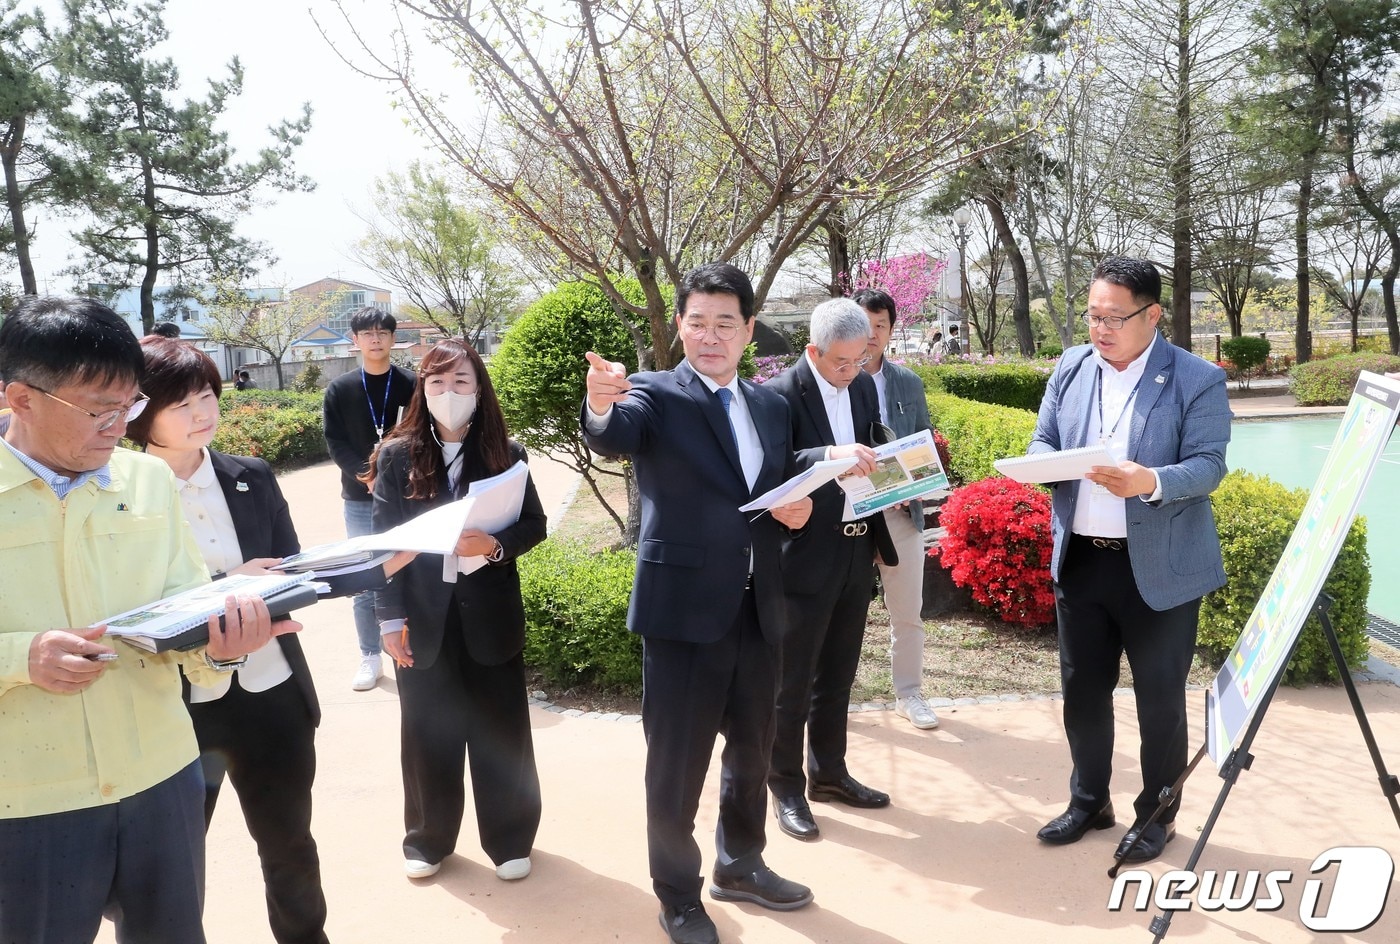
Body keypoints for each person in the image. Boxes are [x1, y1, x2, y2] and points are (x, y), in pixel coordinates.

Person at [0, 296, 293, 944]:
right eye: (99, 409)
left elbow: (183, 610)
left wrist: (221, 645)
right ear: (19, 399)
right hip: (26, 803)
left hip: (161, 779)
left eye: (129, 406)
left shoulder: (147, 481)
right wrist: (22, 657)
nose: (118, 426)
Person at [125, 337, 403, 944]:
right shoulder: (119, 493)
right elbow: (132, 610)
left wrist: (382, 561)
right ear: (139, 411)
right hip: (177, 707)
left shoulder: (249, 475)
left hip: (270, 691)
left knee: (289, 847)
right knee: (169, 864)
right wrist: (229, 585)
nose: (201, 413)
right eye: (180, 404)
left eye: (206, 396)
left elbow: (295, 570)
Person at [582, 262, 815, 944]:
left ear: (748, 330)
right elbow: (612, 432)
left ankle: (740, 862)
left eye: (725, 324)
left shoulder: (770, 405)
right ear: (680, 327)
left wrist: (793, 510)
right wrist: (600, 401)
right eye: (696, 323)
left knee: (754, 748)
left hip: (757, 607)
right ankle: (678, 894)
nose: (710, 337)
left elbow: (767, 497)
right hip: (684, 613)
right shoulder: (654, 394)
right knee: (676, 765)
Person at [1029, 256, 1230, 864]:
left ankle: (1158, 815)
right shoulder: (1070, 366)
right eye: (1093, 316)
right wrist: (1046, 464)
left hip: (1159, 570)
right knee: (1082, 691)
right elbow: (1044, 440)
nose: (1101, 329)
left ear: (1153, 314)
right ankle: (1089, 801)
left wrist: (1150, 480)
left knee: (1159, 699)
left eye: (1115, 317)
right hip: (1083, 562)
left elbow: (1209, 464)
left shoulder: (1196, 378)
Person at [367, 339, 546, 884]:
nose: (450, 393)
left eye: (462, 382)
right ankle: (427, 838)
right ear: (422, 388)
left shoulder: (505, 454)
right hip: (423, 617)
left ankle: (511, 837)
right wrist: (389, 619)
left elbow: (533, 524)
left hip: (489, 615)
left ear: (479, 389)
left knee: (502, 730)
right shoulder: (397, 456)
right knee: (425, 733)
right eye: (438, 382)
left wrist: (491, 547)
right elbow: (382, 546)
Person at [763, 297, 895, 842]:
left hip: (855, 545)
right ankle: (785, 784)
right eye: (841, 362)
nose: (853, 372)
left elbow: (872, 450)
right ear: (813, 351)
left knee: (838, 674)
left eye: (862, 358)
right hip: (801, 552)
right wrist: (829, 455)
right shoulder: (775, 397)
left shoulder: (863, 385)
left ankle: (830, 773)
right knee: (790, 679)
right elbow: (770, 469)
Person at [853, 288, 940, 730]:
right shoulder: (834, 379)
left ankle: (909, 693)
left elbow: (922, 440)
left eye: (880, 327)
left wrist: (919, 483)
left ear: (890, 330)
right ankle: (825, 697)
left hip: (901, 512)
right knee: (835, 612)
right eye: (862, 326)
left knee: (908, 610)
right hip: (847, 514)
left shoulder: (906, 382)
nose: (870, 337)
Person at [323, 308, 415, 691]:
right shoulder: (340, 388)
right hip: (360, 497)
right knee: (365, 577)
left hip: (409, 493)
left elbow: (422, 432)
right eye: (367, 333)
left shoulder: (413, 383)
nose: (375, 339)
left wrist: (396, 475)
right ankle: (369, 655)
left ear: (393, 339)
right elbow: (334, 440)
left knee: (412, 569)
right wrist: (365, 474)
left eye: (382, 333)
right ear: (355, 340)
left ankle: (413, 643)